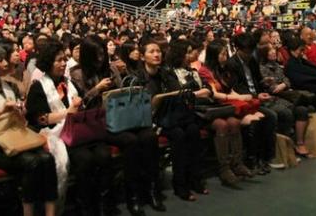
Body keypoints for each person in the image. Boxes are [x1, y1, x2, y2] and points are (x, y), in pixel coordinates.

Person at [70, 36, 163, 215]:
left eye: (102, 53)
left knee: (149, 136)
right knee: (131, 141)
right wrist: (97, 88)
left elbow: (122, 91)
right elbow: (79, 105)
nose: (100, 58)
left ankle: (151, 190)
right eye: (95, 54)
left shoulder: (111, 68)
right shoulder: (77, 73)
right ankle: (132, 196)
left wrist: (119, 86)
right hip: (96, 123)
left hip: (119, 116)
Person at [0, 43, 57, 216]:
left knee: (47, 159)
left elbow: (20, 121)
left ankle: (50, 213)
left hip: (14, 136)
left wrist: (21, 112)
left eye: (4, 59)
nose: (6, 63)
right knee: (33, 162)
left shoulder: (11, 87)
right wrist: (0, 111)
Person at [26, 39, 111, 216]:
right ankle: (84, 206)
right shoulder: (39, 86)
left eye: (65, 59)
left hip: (78, 130)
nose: (63, 63)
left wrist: (81, 105)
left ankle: (102, 204)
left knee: (104, 154)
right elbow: (40, 119)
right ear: (48, 62)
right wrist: (69, 112)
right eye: (58, 60)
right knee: (85, 159)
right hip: (55, 133)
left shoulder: (68, 82)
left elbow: (82, 103)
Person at [135, 39, 204, 202]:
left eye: (158, 51)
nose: (156, 54)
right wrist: (158, 100)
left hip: (170, 116)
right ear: (143, 57)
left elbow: (178, 92)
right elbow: (142, 107)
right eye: (151, 51)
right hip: (151, 120)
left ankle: (194, 178)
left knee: (193, 129)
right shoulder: (138, 77)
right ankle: (180, 184)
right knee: (178, 134)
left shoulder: (166, 73)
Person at [197, 39, 271, 176]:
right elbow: (215, 94)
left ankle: (240, 163)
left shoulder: (221, 69)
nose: (225, 57)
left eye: (226, 54)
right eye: (223, 54)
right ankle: (230, 166)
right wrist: (241, 98)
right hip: (216, 106)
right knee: (241, 122)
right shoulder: (205, 71)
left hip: (226, 105)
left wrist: (244, 97)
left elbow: (229, 89)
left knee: (250, 119)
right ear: (214, 55)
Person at [224, 33, 280, 171]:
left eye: (251, 51)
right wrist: (256, 95)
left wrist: (264, 82)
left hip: (257, 97)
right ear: (238, 49)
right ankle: (257, 158)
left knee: (280, 113)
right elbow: (237, 88)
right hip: (246, 100)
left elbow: (256, 80)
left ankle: (266, 156)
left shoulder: (252, 60)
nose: (249, 54)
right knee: (269, 116)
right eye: (246, 51)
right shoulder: (232, 64)